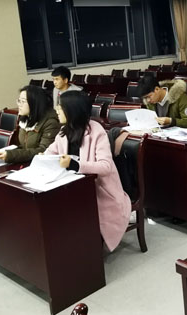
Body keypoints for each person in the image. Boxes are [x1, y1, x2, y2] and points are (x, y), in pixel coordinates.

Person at [45, 91, 131, 252]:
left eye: (60, 107)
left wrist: (75, 165)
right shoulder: (64, 131)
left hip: (99, 191)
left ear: (72, 110)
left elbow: (105, 166)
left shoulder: (96, 131)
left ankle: (86, 248)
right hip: (72, 187)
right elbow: (49, 154)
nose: (56, 109)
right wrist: (42, 159)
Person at [0, 85, 60, 163]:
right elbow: (23, 146)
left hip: (42, 163)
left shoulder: (51, 122)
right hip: (27, 161)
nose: (19, 104)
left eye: (23, 101)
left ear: (34, 103)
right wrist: (8, 153)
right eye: (19, 100)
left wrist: (12, 155)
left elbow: (43, 151)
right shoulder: (26, 119)